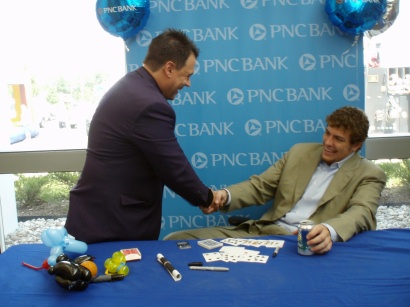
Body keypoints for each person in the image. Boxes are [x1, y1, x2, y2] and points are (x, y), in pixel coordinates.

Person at [164, 106, 387, 254]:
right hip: (262, 232)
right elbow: (260, 187)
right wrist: (224, 196)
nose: (328, 142)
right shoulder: (300, 152)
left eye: (338, 139)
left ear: (356, 145)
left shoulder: (369, 174)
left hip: (302, 245)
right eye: (327, 133)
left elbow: (362, 212)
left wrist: (329, 230)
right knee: (176, 240)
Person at [65, 28, 214, 244]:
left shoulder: (131, 86)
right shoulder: (150, 105)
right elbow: (173, 167)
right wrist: (206, 197)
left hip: (98, 217)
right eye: (187, 75)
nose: (188, 84)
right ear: (170, 68)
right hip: (111, 227)